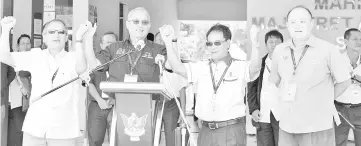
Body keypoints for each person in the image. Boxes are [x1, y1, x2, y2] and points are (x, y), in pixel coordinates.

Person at [159, 23, 262, 146]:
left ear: (228, 43)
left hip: (231, 131)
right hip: (206, 131)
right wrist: (168, 43)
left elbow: (255, 68)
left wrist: (256, 44)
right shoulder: (201, 67)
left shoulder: (239, 66)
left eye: (217, 43)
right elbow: (177, 67)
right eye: (209, 43)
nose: (212, 47)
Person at [0, 17, 94, 146]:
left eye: (61, 32)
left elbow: (81, 68)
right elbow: (5, 57)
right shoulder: (35, 55)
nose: (56, 35)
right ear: (44, 38)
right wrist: (5, 30)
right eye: (51, 32)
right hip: (35, 128)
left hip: (63, 130)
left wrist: (79, 39)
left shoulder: (73, 57)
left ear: (66, 37)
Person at [269, 6, 351, 146]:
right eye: (293, 22)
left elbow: (345, 81)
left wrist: (323, 100)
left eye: (302, 21)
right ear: (287, 24)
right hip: (287, 125)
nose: (297, 25)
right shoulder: (279, 50)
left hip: (317, 126)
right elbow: (275, 81)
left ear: (311, 23)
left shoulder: (328, 50)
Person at [248, 30, 283, 146]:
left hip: (282, 114)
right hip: (263, 114)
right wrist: (253, 109)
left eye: (277, 42)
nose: (274, 45)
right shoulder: (259, 63)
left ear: (282, 44)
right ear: (266, 45)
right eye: (270, 42)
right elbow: (251, 88)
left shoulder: (288, 64)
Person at [154, 31, 187, 146]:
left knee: (171, 138)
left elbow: (182, 89)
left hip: (171, 104)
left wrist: (183, 114)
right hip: (153, 103)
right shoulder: (149, 61)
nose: (160, 43)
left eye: (163, 40)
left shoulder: (176, 63)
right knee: (152, 136)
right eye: (158, 41)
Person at [87, 31, 117, 146]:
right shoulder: (94, 61)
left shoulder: (122, 61)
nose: (109, 45)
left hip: (116, 105)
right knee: (95, 140)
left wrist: (115, 99)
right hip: (96, 105)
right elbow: (89, 83)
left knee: (116, 140)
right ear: (101, 45)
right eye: (107, 42)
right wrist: (99, 100)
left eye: (112, 43)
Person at [334, 28, 361, 146]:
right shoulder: (336, 61)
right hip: (340, 110)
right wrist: (346, 80)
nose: (359, 42)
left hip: (359, 109)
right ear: (345, 42)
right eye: (355, 39)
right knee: (338, 143)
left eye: (360, 39)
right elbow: (328, 85)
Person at [7, 34, 32, 146]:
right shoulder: (13, 58)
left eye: (28, 43)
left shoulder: (34, 59)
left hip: (32, 99)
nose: (26, 46)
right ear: (17, 46)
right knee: (19, 129)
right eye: (23, 43)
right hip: (18, 99)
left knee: (29, 131)